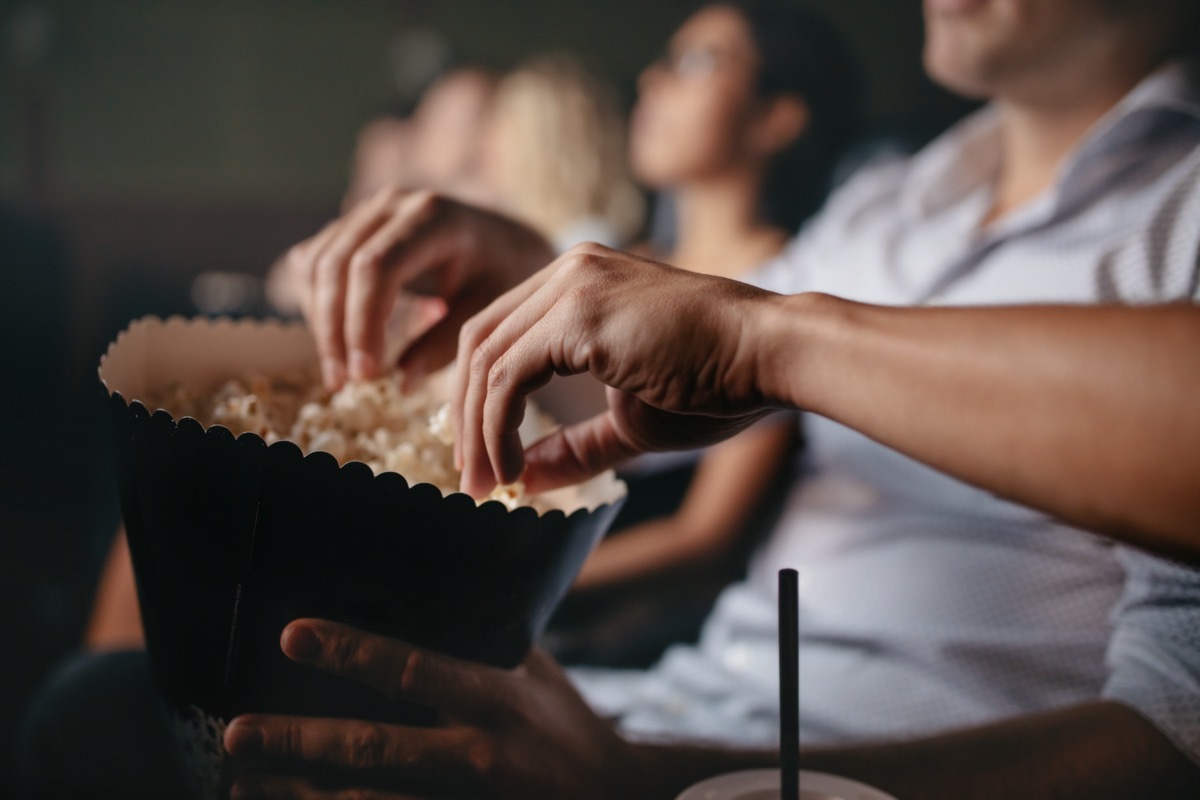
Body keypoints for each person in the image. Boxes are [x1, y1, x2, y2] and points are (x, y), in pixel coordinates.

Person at [255, 0, 1200, 796]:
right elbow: (698, 372)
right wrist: (528, 292)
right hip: (694, 700)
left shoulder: (1181, 210)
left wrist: (644, 781)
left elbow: (1174, 732)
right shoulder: (890, 199)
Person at [541, 1, 855, 667]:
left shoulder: (787, 289)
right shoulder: (618, 260)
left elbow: (706, 538)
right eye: (662, 61)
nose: (654, 82)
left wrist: (524, 576)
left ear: (777, 118)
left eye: (698, 62)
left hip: (619, 616)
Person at [481, 53, 644, 252]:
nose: (486, 147)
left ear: (544, 152)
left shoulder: (585, 247)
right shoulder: (537, 240)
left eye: (501, 129)